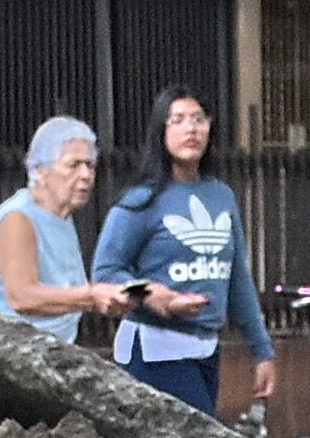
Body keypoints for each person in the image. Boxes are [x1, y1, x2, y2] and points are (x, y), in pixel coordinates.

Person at [90, 84, 274, 418]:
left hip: (206, 349)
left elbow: (237, 279)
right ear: (161, 130)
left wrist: (262, 350)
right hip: (154, 349)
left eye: (199, 119)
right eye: (178, 120)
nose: (191, 128)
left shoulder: (221, 196)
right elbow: (106, 271)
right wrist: (151, 294)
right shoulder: (140, 200)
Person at [0, 115, 133, 338]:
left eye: (90, 165)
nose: (85, 175)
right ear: (39, 171)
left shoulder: (61, 217)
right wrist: (92, 296)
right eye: (73, 165)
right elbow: (22, 297)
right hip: (5, 356)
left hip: (50, 350)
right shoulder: (17, 218)